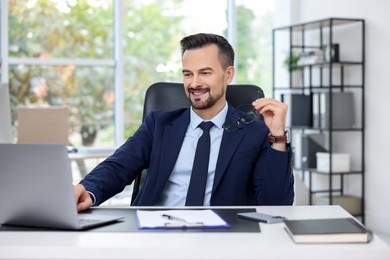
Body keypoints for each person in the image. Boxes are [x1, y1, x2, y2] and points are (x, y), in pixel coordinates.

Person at [74, 33, 294, 212]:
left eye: (205, 73)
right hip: (156, 235)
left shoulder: (255, 133)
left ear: (228, 75)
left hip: (223, 239)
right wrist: (87, 190)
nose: (194, 83)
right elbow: (118, 166)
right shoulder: (159, 125)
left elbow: (276, 205)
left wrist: (278, 138)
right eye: (188, 74)